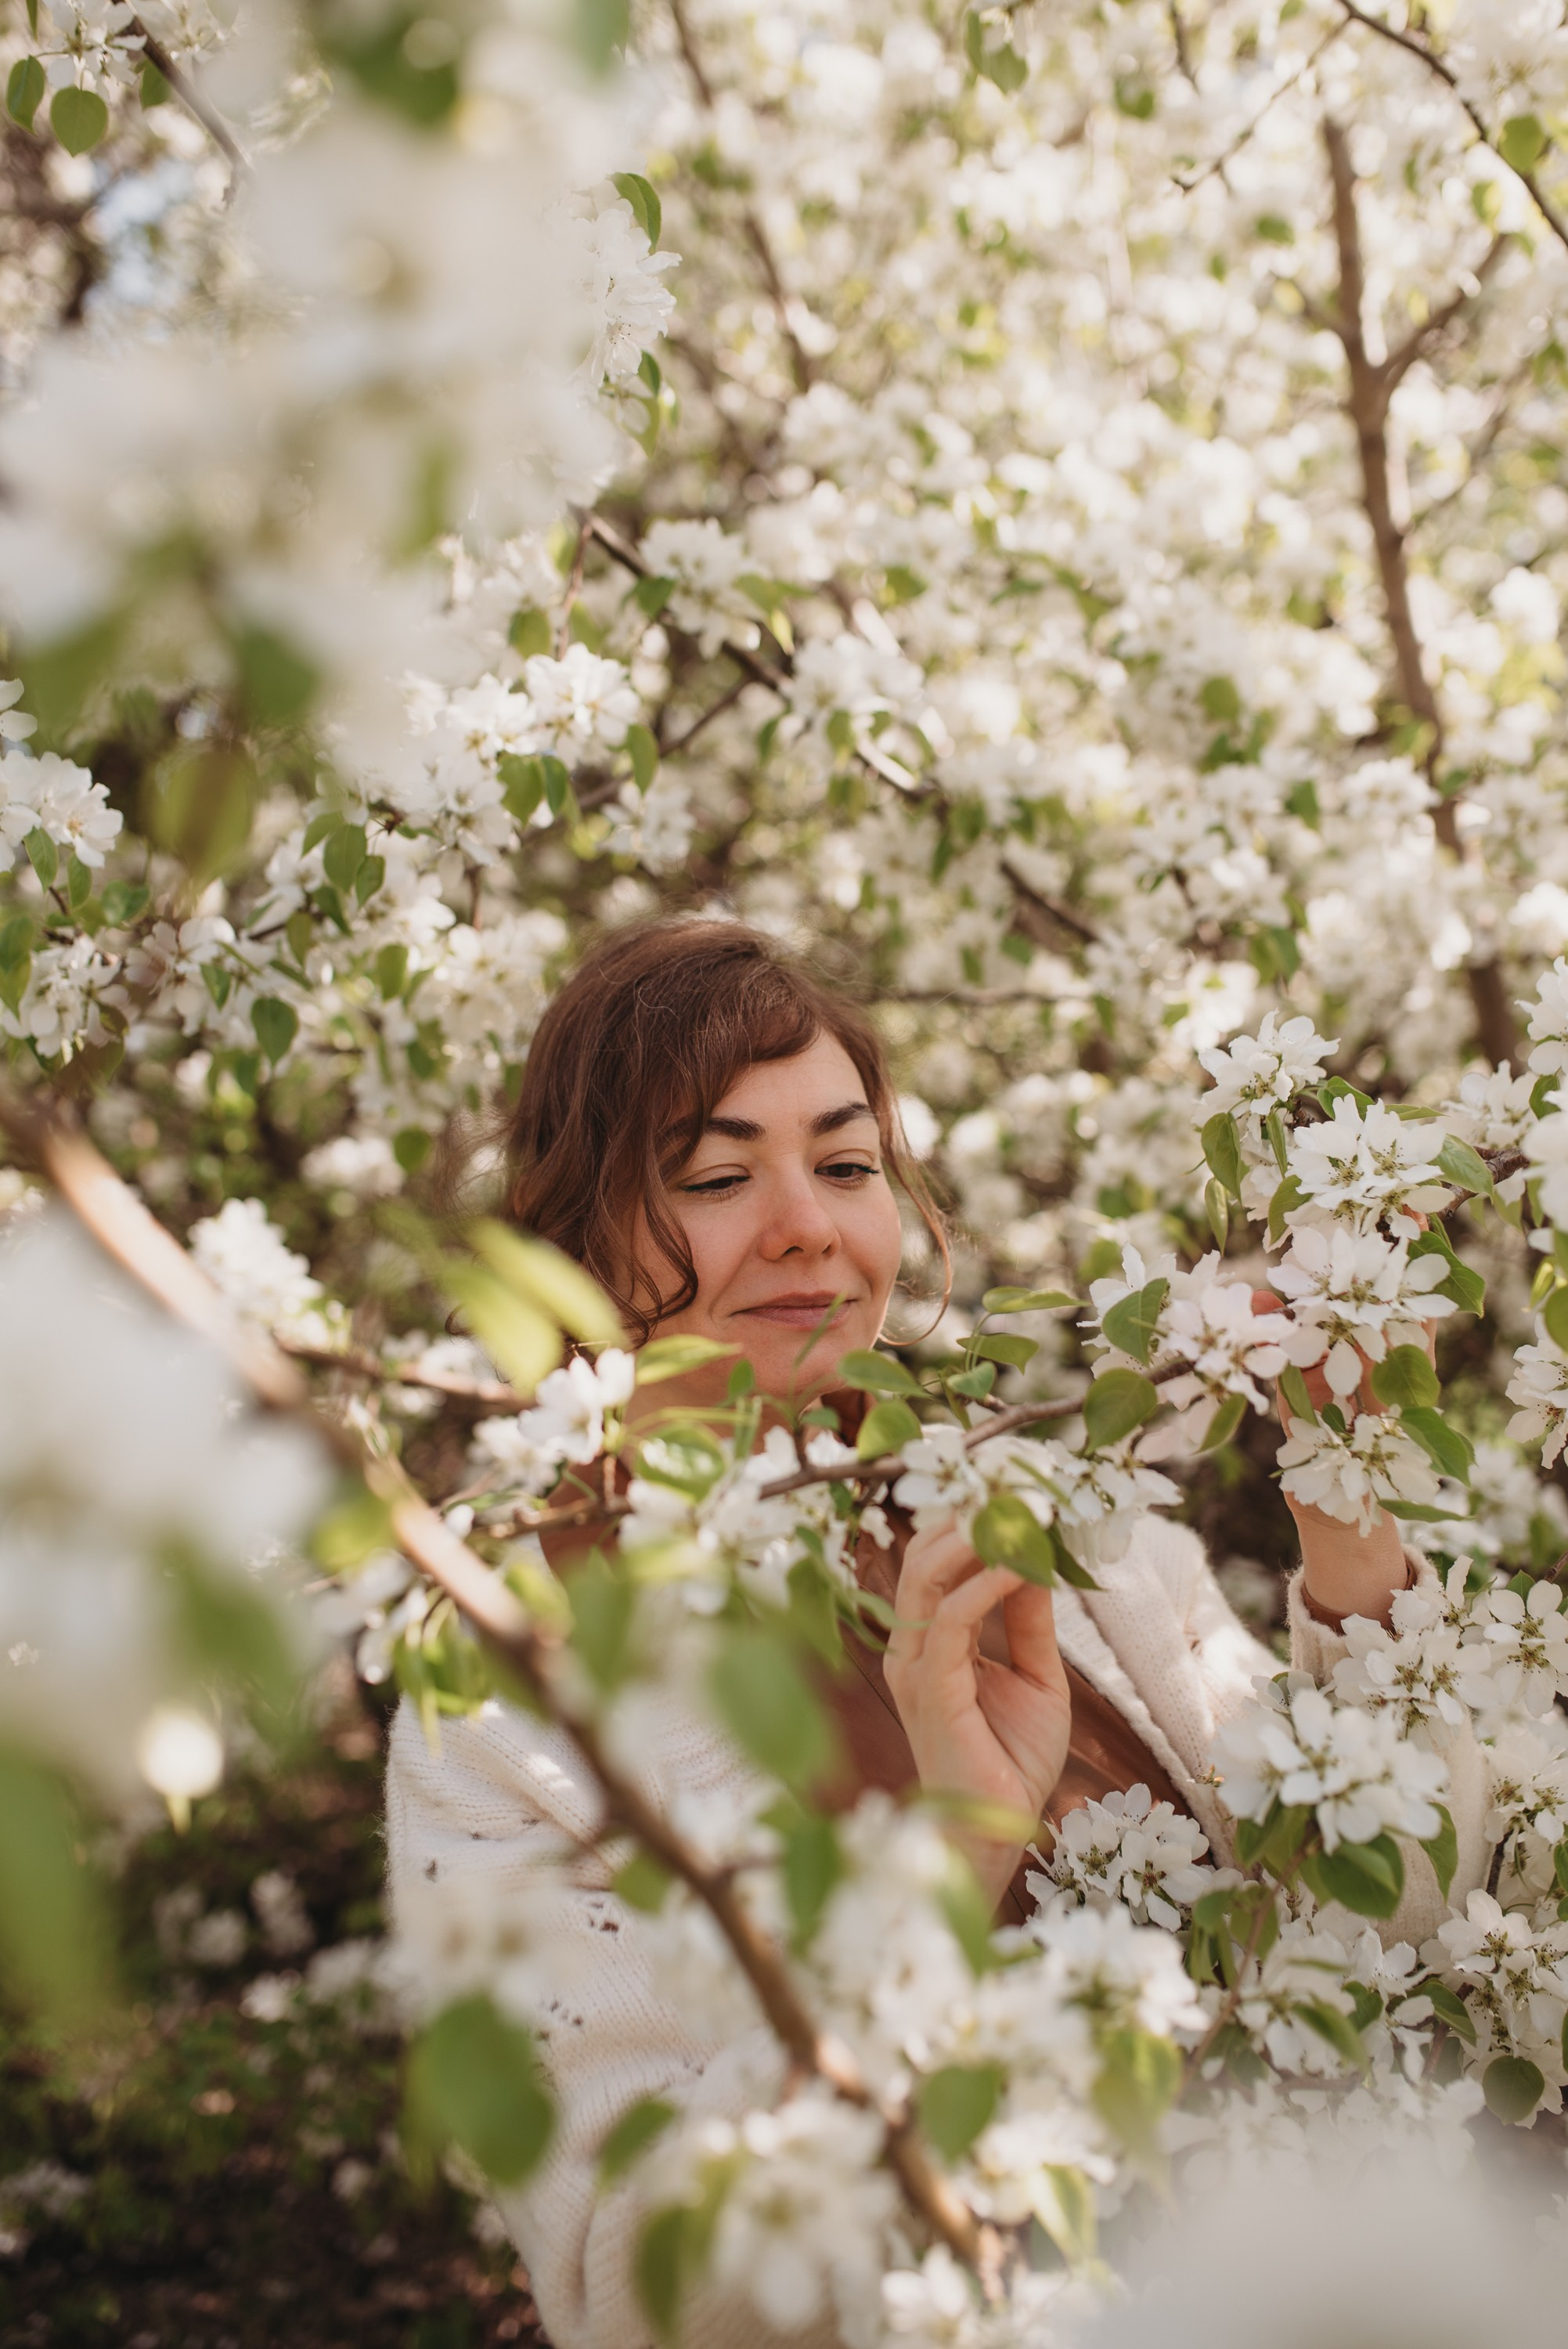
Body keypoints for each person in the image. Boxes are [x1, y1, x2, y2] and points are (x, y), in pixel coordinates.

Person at [385, 918, 1490, 2349]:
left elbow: (1401, 1910)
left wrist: (1351, 1516)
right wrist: (958, 1858)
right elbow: (641, 2293)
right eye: (717, 1177)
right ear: (574, 1234)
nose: (810, 1227)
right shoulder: (501, 1688)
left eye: (848, 1166)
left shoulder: (1034, 1506)